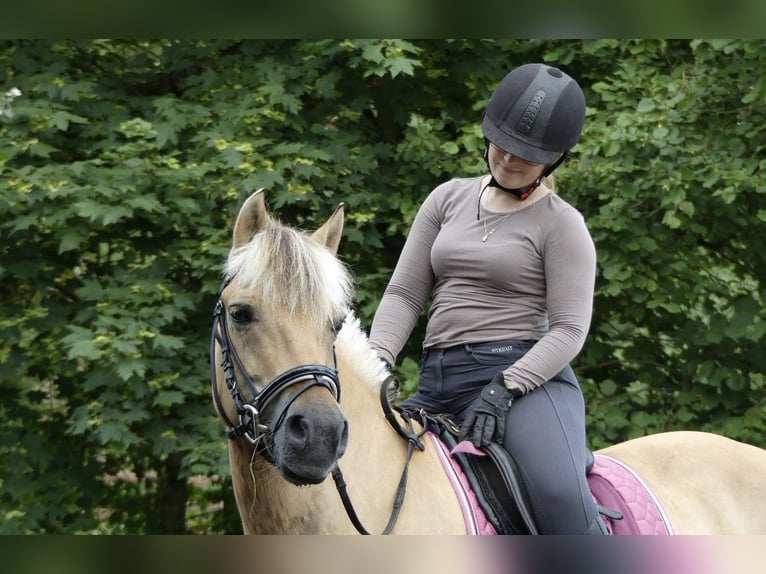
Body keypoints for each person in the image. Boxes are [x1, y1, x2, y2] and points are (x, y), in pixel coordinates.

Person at [369, 63, 605, 534]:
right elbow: (404, 292)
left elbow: (570, 330)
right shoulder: (446, 199)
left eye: (527, 155)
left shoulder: (562, 225)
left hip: (524, 384)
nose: (510, 160)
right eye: (503, 144)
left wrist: (506, 387)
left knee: (558, 496)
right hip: (437, 381)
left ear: (555, 160)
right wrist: (373, 364)